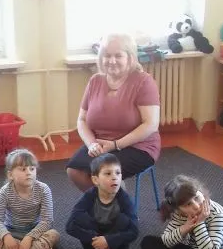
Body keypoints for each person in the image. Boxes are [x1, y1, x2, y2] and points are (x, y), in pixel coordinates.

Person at [66, 33, 161, 191]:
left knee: (104, 174)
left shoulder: (144, 81)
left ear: (130, 57)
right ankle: (112, 197)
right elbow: (81, 120)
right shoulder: (95, 81)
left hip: (137, 147)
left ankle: (118, 202)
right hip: (101, 144)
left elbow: (151, 124)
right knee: (75, 171)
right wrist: (92, 144)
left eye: (118, 55)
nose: (111, 61)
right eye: (107, 55)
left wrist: (115, 145)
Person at [66, 153, 139, 249]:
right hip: (94, 244)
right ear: (96, 180)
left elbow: (134, 231)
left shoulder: (124, 198)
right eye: (108, 173)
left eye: (118, 173)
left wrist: (109, 241)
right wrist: (95, 239)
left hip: (116, 244)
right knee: (82, 218)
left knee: (124, 220)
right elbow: (70, 226)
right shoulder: (89, 196)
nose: (115, 177)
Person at [0, 148, 60, 249]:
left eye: (32, 169)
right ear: (10, 175)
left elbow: (47, 220)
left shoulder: (43, 189)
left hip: (35, 231)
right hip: (12, 231)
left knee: (54, 235)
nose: (29, 172)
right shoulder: (5, 191)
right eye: (23, 169)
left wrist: (29, 238)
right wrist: (6, 237)